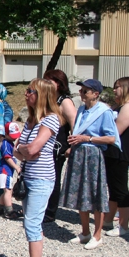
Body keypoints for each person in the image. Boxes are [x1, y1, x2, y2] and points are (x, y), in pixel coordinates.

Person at [9, 79, 61, 257]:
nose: (26, 94)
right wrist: (25, 150)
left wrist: (24, 150)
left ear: (41, 95)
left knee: (32, 223)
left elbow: (30, 150)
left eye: (30, 91)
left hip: (41, 178)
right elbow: (18, 149)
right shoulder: (32, 121)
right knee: (32, 223)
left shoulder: (50, 120)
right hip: (28, 175)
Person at [59, 79, 119, 250]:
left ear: (96, 94)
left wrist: (87, 138)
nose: (82, 93)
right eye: (81, 90)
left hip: (93, 154)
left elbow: (111, 138)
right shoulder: (83, 110)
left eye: (86, 91)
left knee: (95, 194)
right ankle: (85, 231)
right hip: (79, 153)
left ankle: (97, 234)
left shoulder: (103, 112)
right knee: (80, 193)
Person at [102, 77, 129, 237]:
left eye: (117, 87)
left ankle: (124, 225)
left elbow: (116, 130)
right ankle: (108, 219)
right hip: (112, 153)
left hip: (121, 153)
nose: (114, 90)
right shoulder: (119, 106)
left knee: (120, 189)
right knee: (112, 187)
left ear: (127, 88)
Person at [42, 69, 78, 224]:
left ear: (59, 83)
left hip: (58, 147)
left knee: (53, 178)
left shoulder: (65, 101)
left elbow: (75, 124)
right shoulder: (49, 99)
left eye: (50, 81)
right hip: (45, 144)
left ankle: (50, 211)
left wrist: (72, 146)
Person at [0, 122, 22, 219]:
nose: (14, 138)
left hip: (8, 171)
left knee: (6, 191)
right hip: (4, 170)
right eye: (12, 135)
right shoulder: (6, 143)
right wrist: (17, 167)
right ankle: (9, 211)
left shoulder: (10, 143)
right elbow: (7, 157)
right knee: (8, 191)